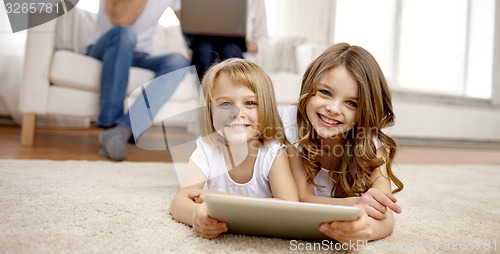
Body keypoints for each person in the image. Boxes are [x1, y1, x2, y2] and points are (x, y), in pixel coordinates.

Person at [280, 42, 404, 243]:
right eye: (325, 92)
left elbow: (385, 214)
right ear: (309, 87)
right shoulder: (291, 126)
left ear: (365, 111)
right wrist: (358, 203)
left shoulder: (369, 139)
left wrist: (362, 230)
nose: (334, 109)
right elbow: (302, 199)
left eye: (351, 103)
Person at [170, 58, 298, 239]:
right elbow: (179, 201)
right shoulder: (207, 148)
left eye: (250, 103)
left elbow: (290, 206)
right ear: (210, 112)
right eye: (225, 104)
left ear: (266, 108)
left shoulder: (273, 152)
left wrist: (222, 199)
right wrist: (195, 215)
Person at [85, 0, 191, 160]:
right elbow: (120, 20)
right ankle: (109, 125)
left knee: (179, 61)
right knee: (124, 33)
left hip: (140, 55)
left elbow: (188, 24)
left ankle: (123, 129)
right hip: (108, 46)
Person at [190, 0, 268, 79]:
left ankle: (232, 89)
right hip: (203, 44)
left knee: (230, 50)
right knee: (204, 51)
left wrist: (247, 44)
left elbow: (263, 43)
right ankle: (205, 90)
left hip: (235, 46)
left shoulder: (256, 2)